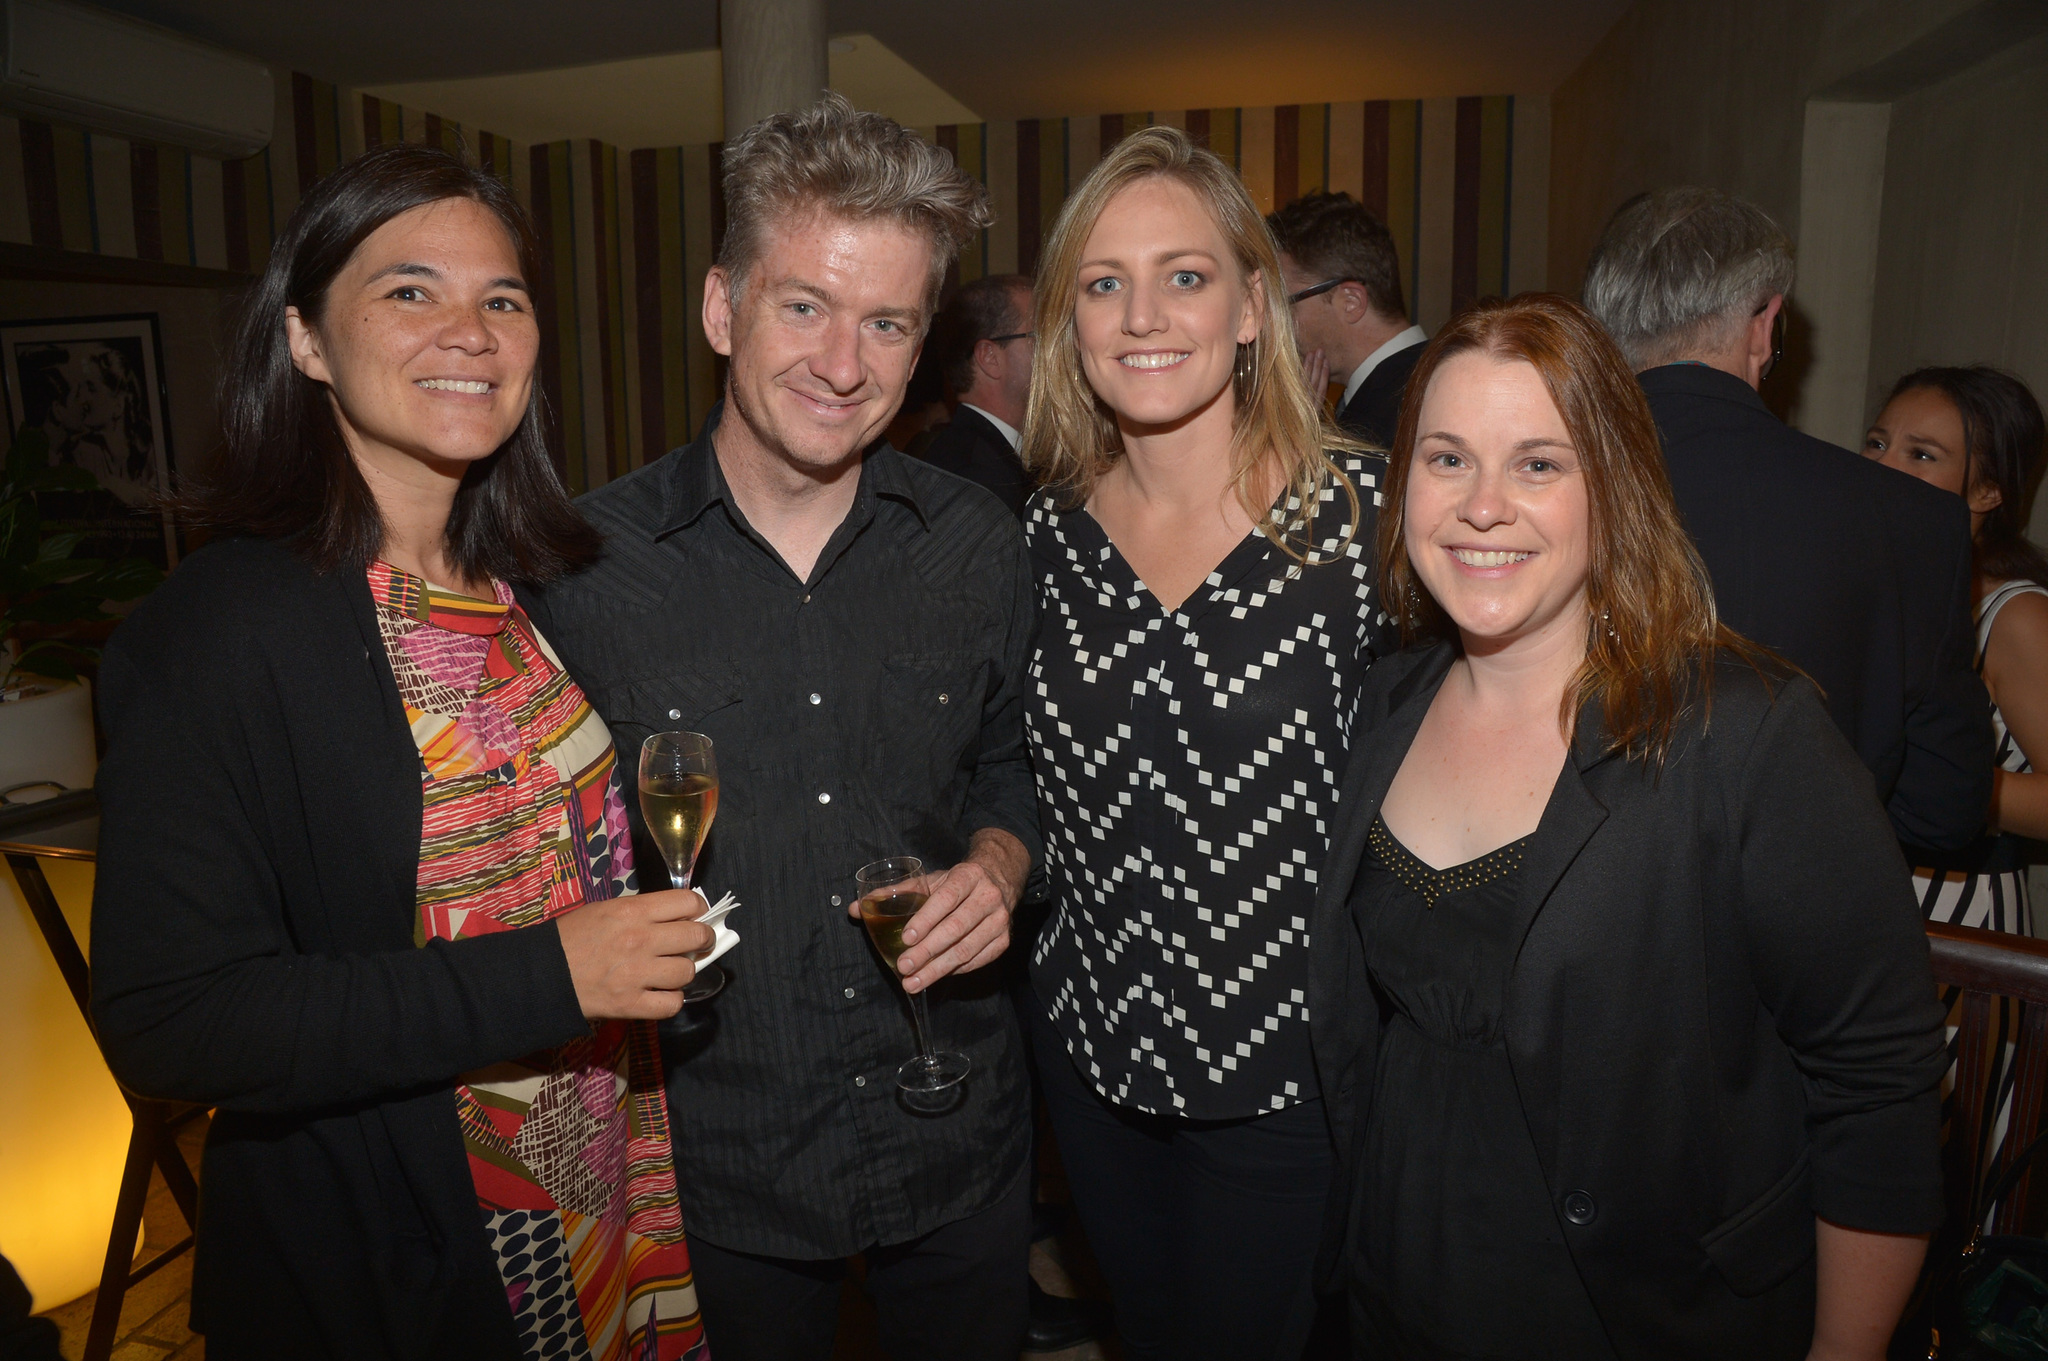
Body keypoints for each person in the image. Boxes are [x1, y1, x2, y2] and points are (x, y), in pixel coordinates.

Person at [87, 144, 714, 1359]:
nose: (468, 331)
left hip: (595, 1193)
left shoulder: (525, 587)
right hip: (404, 1253)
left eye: (504, 298)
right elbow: (171, 1017)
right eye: (410, 290)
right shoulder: (224, 624)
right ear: (308, 341)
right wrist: (553, 974)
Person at [1309, 293, 1947, 1359]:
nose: (1481, 505)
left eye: (1538, 463)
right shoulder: (1386, 701)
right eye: (1446, 458)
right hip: (1390, 1276)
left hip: (1637, 1308)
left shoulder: (1741, 732)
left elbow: (1877, 1078)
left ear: (1612, 485)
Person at [521, 95, 1037, 1361]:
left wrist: (999, 864)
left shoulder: (977, 542)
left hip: (954, 1123)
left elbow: (1015, 761)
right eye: (802, 304)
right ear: (721, 308)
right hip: (719, 1152)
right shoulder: (581, 566)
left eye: (886, 323)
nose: (842, 362)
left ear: (923, 347)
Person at [1018, 126, 1393, 1360]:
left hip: (1286, 1077)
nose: (1141, 315)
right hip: (1089, 1051)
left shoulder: (1369, 521)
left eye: (1183, 274)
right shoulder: (1038, 538)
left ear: (1250, 305)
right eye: (1101, 281)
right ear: (1069, 319)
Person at [1581, 187, 1991, 853]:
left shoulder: (1521, 489)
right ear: (1765, 324)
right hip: (1798, 929)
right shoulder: (1912, 520)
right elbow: (1941, 810)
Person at [1864, 367, 2048, 1170]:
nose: (1880, 465)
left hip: (1959, 928)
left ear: (1987, 492)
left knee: (1931, 1180)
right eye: (1876, 442)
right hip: (1865, 899)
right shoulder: (1873, 583)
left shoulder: (2013, 613)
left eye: (1922, 453)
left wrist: (1954, 787)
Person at [1266, 189, 1427, 447]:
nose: (1273, 324)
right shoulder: (1404, 383)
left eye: (1285, 305)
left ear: (1351, 302)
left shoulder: (1412, 406)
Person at [918, 273, 1036, 514]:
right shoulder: (973, 478)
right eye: (1040, 336)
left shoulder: (993, 456)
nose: (1061, 348)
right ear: (990, 358)